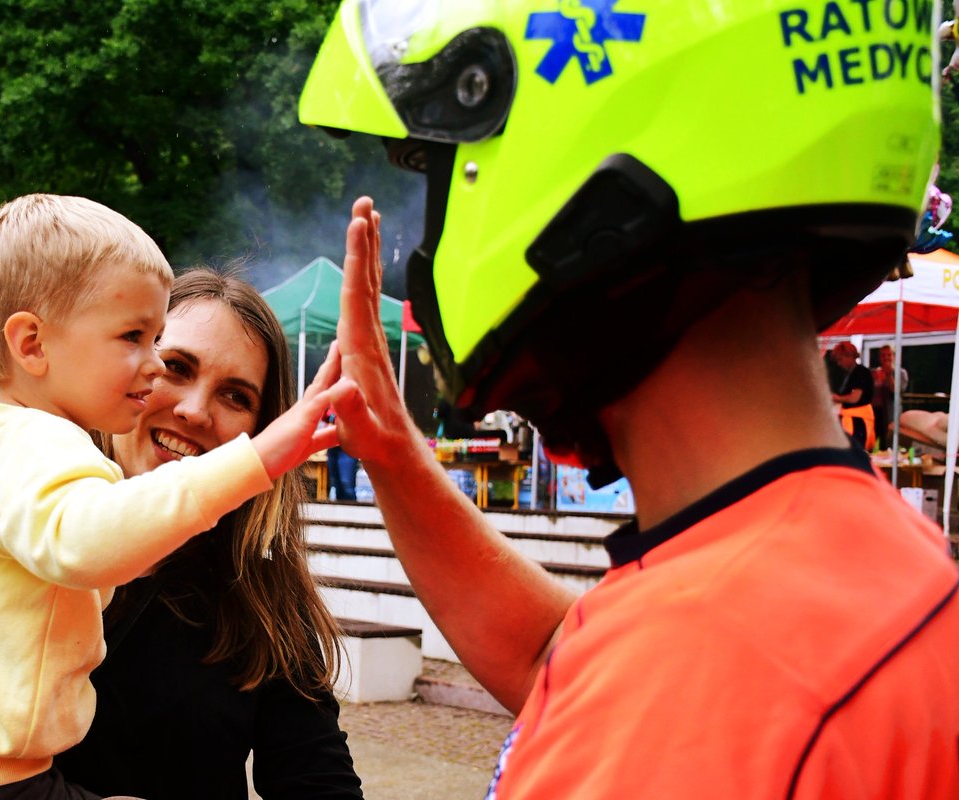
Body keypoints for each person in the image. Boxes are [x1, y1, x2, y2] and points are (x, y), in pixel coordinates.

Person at [301, 2, 959, 796]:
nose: (430, 245)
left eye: (443, 173)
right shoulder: (840, 589)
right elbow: (570, 660)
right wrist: (394, 453)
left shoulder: (738, 684)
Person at [0, 269, 363, 800]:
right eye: (175, 367)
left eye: (237, 396)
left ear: (256, 431)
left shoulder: (262, 608)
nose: (194, 410)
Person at [829, 341, 876, 450]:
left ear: (849, 356)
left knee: (855, 450)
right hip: (852, 418)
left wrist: (837, 398)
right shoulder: (851, 374)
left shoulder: (860, 372)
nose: (839, 364)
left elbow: (855, 398)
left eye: (840, 359)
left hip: (858, 420)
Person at [871, 344, 909, 449]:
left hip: (890, 414)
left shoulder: (901, 373)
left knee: (889, 443)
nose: (886, 358)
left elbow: (896, 390)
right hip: (874, 413)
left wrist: (888, 375)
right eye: (883, 355)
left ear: (894, 356)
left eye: (889, 355)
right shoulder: (873, 373)